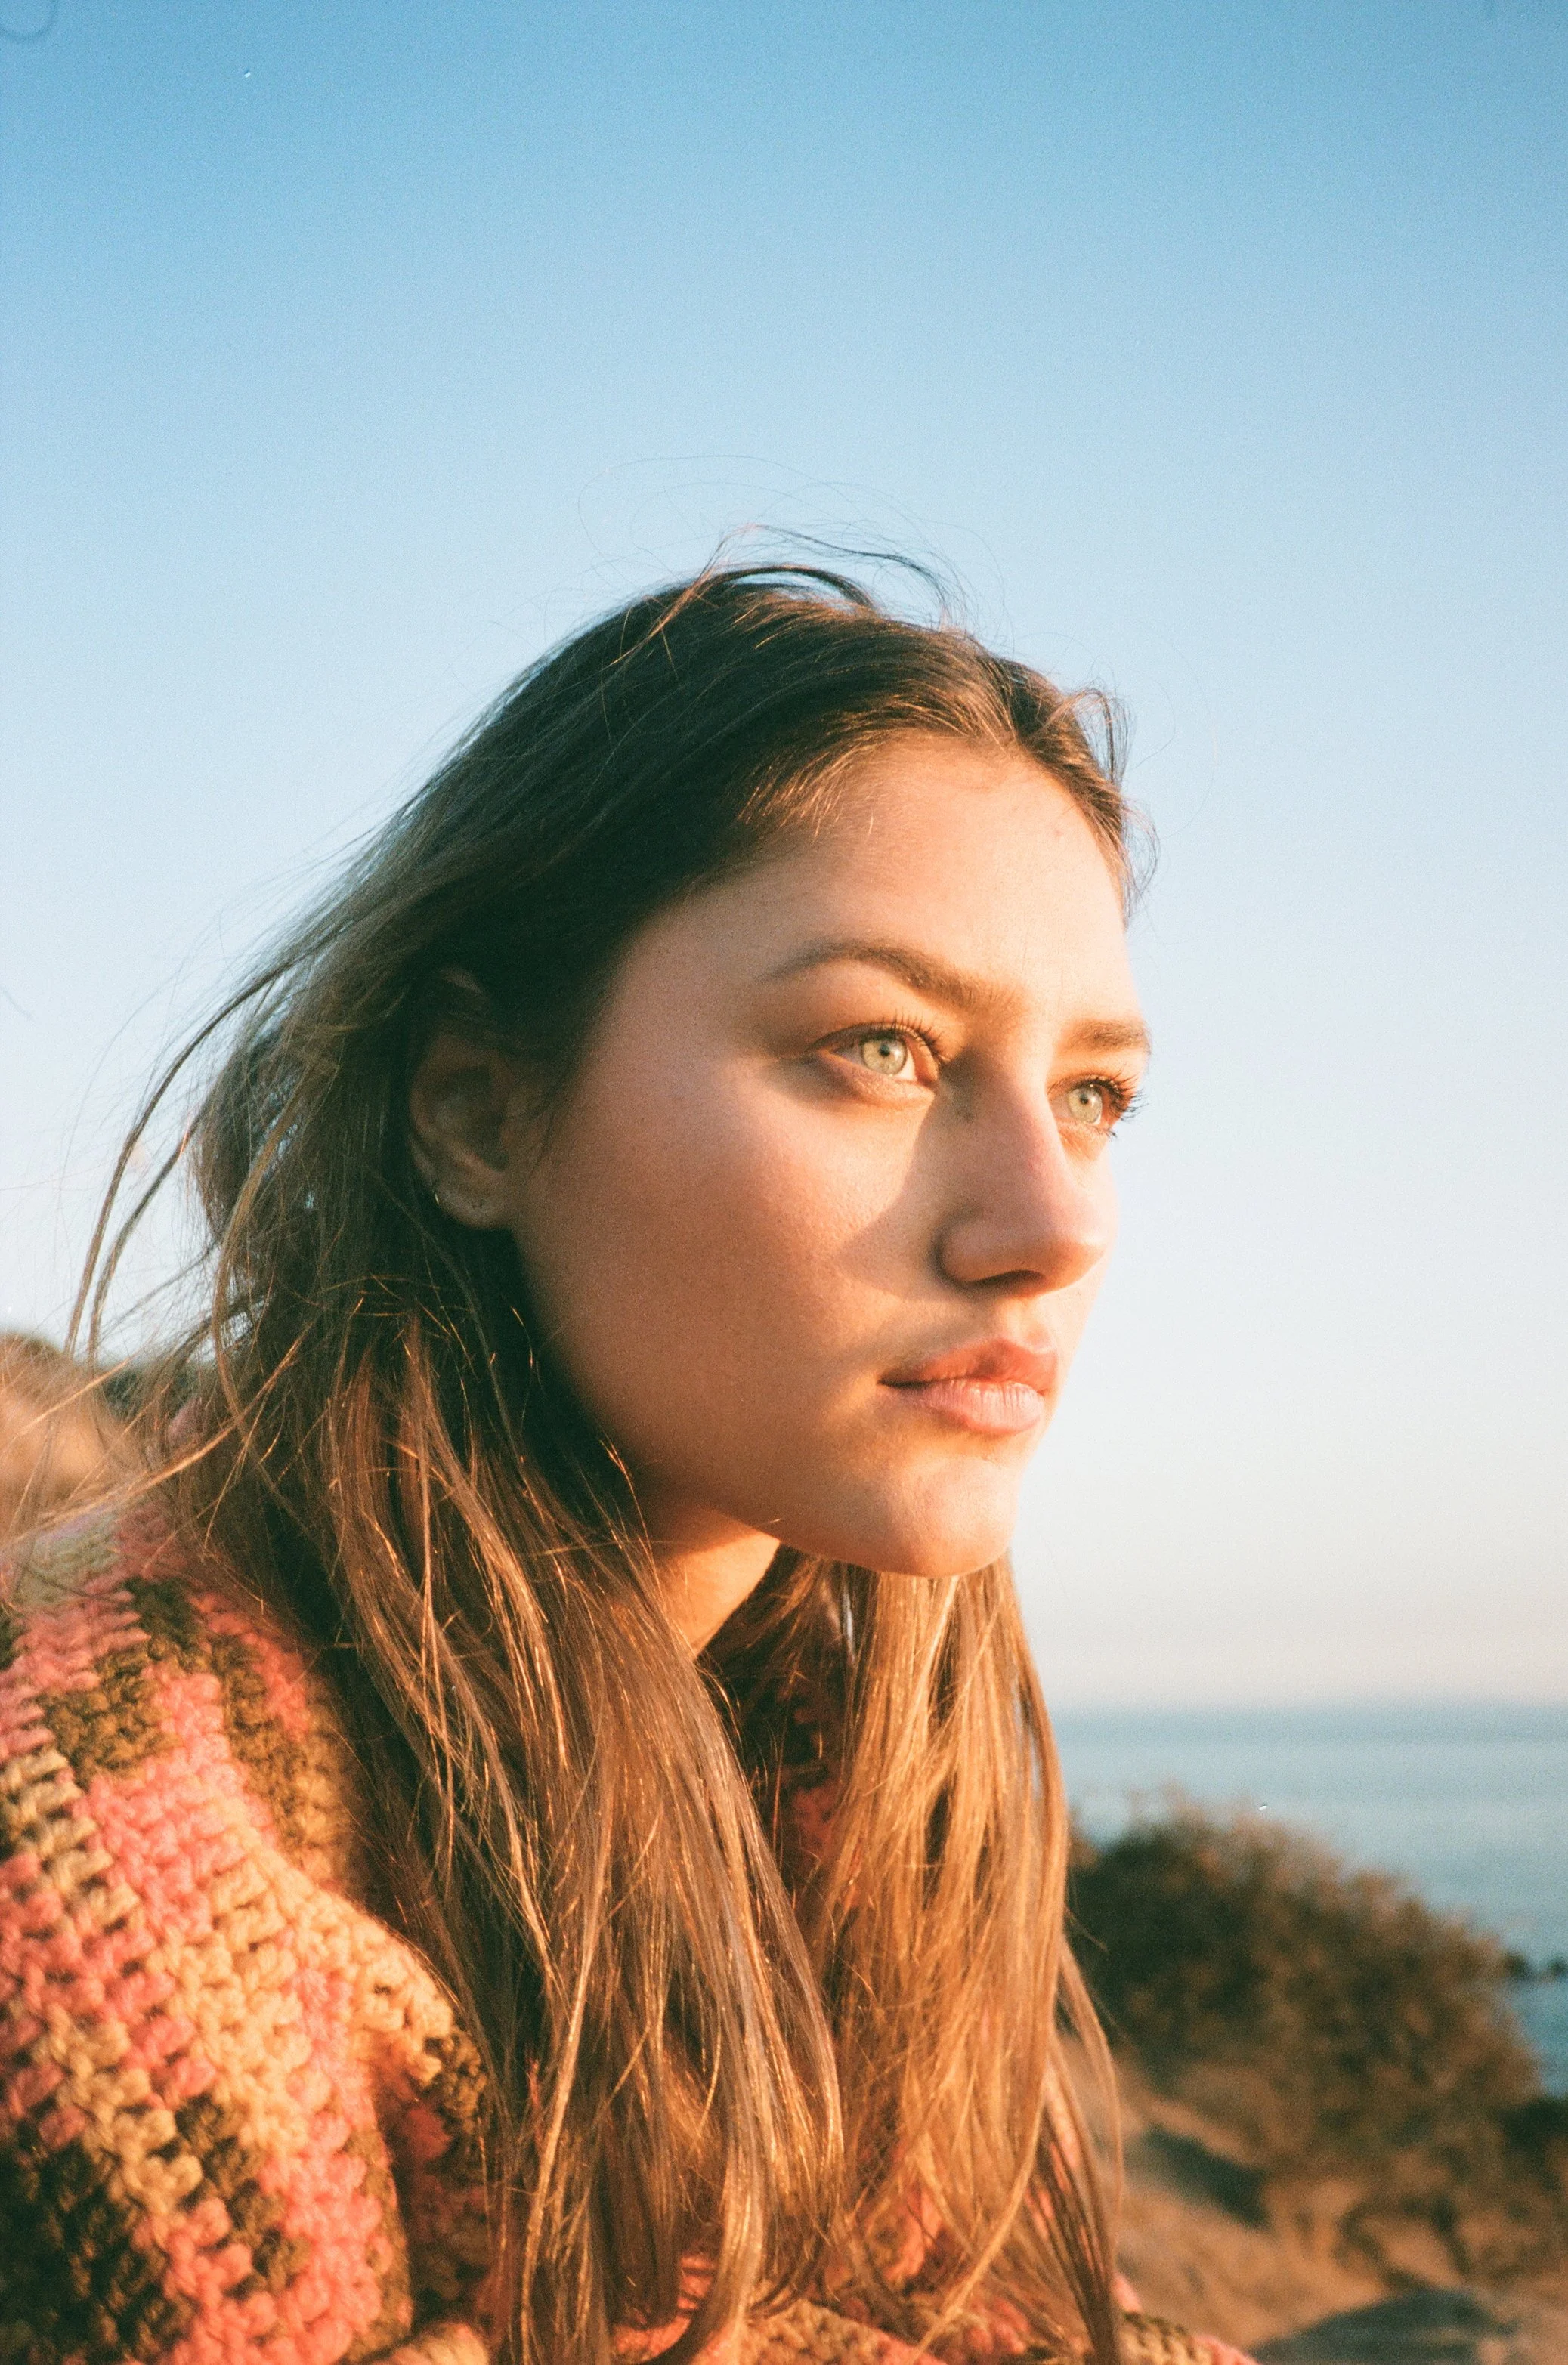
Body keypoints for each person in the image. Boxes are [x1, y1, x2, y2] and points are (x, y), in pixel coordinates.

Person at [0, 567, 1248, 2365]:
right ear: (479, 1111)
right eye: (878, 1049)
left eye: (1089, 1095)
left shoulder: (831, 1764)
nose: (1050, 1225)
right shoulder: (97, 1844)